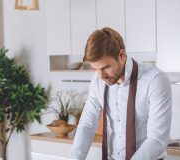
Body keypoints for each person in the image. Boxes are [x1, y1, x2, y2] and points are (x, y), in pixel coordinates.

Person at [71, 27, 172, 160]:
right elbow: (87, 125)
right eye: (96, 69)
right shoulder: (98, 80)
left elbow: (157, 140)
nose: (101, 76)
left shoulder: (155, 81)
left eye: (105, 67)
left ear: (121, 55)